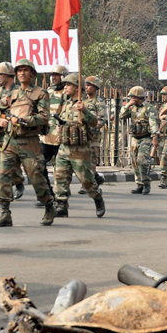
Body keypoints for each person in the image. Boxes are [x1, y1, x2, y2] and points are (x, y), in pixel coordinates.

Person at [0, 59, 56, 227]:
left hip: (29, 141)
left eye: (26, 70)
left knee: (36, 177)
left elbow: (44, 117)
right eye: (19, 71)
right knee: (3, 176)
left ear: (32, 74)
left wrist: (25, 120)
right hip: (10, 140)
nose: (22, 73)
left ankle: (49, 205)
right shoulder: (12, 94)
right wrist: (0, 121)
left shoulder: (41, 93)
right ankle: (5, 212)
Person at [53, 74, 105, 218]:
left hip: (80, 149)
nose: (65, 87)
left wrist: (85, 111)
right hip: (65, 146)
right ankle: (61, 204)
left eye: (68, 85)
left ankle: (97, 198)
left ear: (77, 87)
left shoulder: (86, 104)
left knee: (86, 180)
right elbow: (64, 120)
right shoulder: (67, 104)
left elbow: (94, 122)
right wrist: (60, 128)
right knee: (60, 176)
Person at [0, 62, 26, 200]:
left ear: (8, 75)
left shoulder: (18, 91)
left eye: (0, 74)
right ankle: (3, 186)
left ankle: (18, 182)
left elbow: (20, 112)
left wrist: (8, 120)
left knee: (13, 162)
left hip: (12, 132)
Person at [120, 86, 159, 195]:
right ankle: (139, 184)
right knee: (135, 162)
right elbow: (121, 116)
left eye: (133, 97)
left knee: (142, 160)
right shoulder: (132, 108)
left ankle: (146, 183)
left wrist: (155, 137)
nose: (131, 99)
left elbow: (153, 123)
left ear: (138, 97)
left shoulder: (149, 108)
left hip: (145, 137)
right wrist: (127, 105)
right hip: (134, 138)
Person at [40, 65, 68, 200]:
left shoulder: (67, 92)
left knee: (60, 168)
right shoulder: (48, 91)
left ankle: (59, 194)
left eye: (57, 75)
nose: (54, 77)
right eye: (52, 75)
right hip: (46, 135)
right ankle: (47, 192)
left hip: (60, 135)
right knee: (39, 164)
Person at [81, 76, 107, 191]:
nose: (86, 87)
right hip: (81, 135)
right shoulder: (82, 101)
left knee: (91, 160)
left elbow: (101, 120)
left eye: (89, 85)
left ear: (95, 88)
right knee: (82, 160)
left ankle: (88, 184)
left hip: (93, 136)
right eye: (85, 85)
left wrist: (92, 126)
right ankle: (95, 178)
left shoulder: (99, 102)